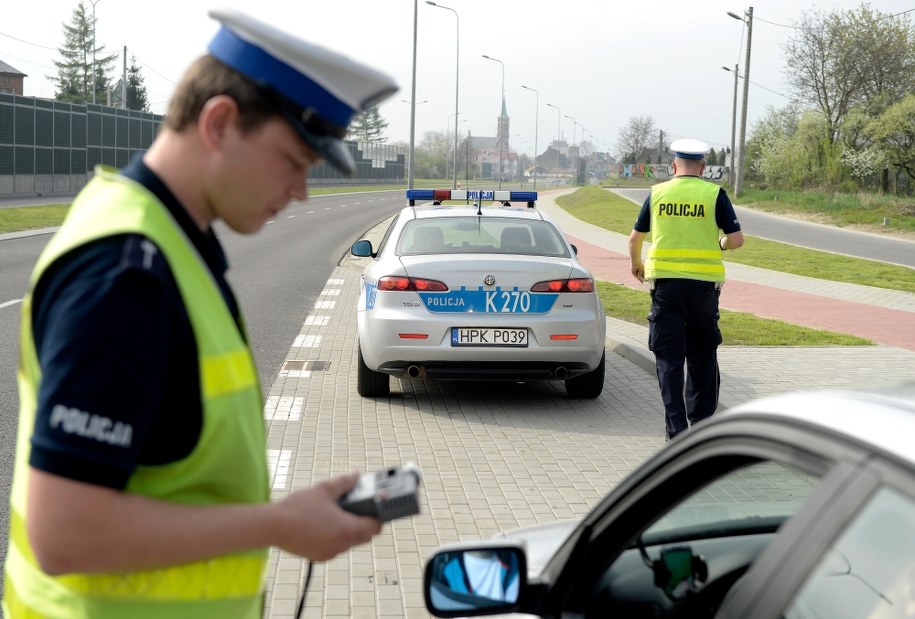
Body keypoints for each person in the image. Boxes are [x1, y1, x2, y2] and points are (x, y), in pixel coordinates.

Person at [2, 9, 397, 618]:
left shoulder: (160, 238)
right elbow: (65, 534)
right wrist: (276, 524)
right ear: (219, 122)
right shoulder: (126, 275)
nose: (301, 191)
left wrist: (286, 516)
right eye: (294, 161)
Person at [628, 138, 744, 441]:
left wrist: (636, 264)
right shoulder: (714, 194)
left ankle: (676, 431)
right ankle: (702, 427)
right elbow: (737, 240)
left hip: (666, 288)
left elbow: (634, 239)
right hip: (704, 290)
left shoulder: (658, 193)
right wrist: (720, 243)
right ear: (703, 167)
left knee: (668, 357)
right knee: (703, 353)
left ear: (673, 166)